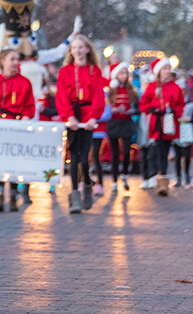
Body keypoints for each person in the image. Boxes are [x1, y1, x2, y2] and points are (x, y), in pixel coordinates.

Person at [56, 34, 106, 214]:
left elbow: (99, 96)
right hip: (72, 117)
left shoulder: (95, 71)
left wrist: (93, 117)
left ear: (86, 49)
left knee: (85, 158)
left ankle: (87, 185)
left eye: (80, 47)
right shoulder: (65, 71)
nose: (77, 51)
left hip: (87, 117)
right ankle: (74, 194)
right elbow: (61, 95)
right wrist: (69, 116)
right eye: (74, 48)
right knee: (73, 157)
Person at [0, 48, 36, 212]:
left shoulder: (25, 82)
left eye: (17, 59)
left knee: (13, 160)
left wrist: (26, 116)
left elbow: (29, 104)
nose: (15, 63)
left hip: (16, 124)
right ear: (3, 61)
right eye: (12, 59)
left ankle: (12, 195)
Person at [140, 57, 185, 196]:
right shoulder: (153, 87)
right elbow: (143, 104)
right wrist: (152, 107)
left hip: (169, 121)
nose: (167, 71)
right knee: (157, 150)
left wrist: (174, 111)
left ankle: (163, 179)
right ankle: (159, 178)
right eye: (164, 69)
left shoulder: (175, 87)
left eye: (168, 69)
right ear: (159, 71)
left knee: (165, 151)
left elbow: (180, 104)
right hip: (157, 122)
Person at [106, 62, 138, 192]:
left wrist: (131, 111)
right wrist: (112, 110)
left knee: (126, 151)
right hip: (114, 123)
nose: (124, 76)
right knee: (114, 153)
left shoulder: (131, 90)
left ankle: (124, 174)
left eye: (126, 73)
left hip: (126, 123)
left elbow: (137, 107)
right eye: (122, 73)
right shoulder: (110, 91)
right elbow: (105, 107)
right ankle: (114, 181)